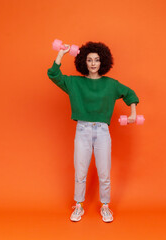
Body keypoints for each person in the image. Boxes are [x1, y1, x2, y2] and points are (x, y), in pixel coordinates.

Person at [47, 41, 139, 223]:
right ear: (84, 62)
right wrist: (62, 54)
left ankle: (105, 206)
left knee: (104, 172)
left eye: (97, 60)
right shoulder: (75, 83)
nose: (93, 63)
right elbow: (54, 75)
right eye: (89, 60)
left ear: (103, 62)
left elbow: (130, 94)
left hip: (102, 132)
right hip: (82, 130)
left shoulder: (111, 84)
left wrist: (133, 114)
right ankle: (78, 205)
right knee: (80, 171)